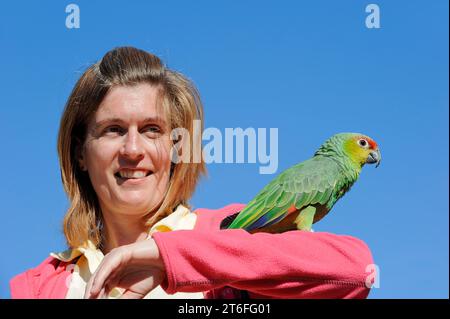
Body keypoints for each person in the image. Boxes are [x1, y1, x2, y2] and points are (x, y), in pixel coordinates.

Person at [10, 47, 375, 299]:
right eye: (113, 130)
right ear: (80, 154)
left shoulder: (229, 233)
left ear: (177, 148)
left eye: (152, 130)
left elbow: (357, 272)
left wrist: (174, 260)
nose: (133, 150)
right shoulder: (38, 286)